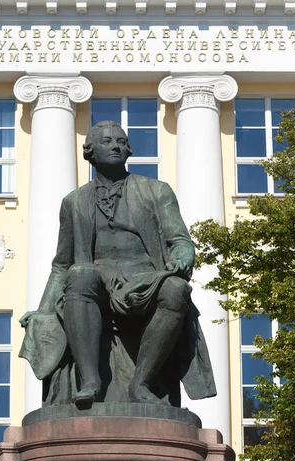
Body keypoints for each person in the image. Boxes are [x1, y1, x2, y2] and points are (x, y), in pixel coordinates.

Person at [20, 120, 216, 408]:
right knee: (81, 273)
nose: (115, 146)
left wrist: (183, 256)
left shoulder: (156, 191)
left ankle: (142, 383)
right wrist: (44, 309)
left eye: (121, 142)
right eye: (107, 141)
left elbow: (180, 240)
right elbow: (62, 264)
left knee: (176, 290)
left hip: (145, 278)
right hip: (97, 283)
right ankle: (90, 381)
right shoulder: (74, 202)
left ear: (129, 151)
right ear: (90, 151)